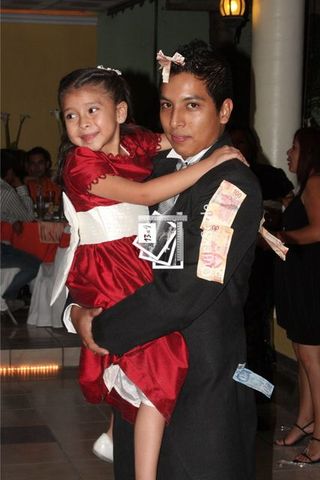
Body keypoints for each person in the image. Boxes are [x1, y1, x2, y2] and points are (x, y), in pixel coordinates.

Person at [66, 40, 263, 480]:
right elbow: (95, 243)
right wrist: (76, 311)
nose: (176, 120)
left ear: (225, 110)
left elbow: (184, 291)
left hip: (200, 389)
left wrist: (100, 329)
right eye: (167, 105)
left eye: (193, 105)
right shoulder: (151, 169)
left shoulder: (232, 186)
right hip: (141, 375)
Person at [229, 126, 294, 381]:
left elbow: (289, 211)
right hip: (232, 259)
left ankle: (258, 384)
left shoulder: (270, 176)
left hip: (264, 261)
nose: (238, 147)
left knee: (257, 319)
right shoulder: (222, 173)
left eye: (242, 142)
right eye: (233, 142)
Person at [274, 127, 320, 464]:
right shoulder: (306, 185)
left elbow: (318, 230)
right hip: (302, 279)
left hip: (311, 282)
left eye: (295, 147)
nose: (289, 153)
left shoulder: (316, 181)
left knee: (312, 361)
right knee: (304, 358)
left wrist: (282, 235)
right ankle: (305, 421)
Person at [0, 149, 41, 310]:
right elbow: (28, 217)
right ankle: (5, 297)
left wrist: (11, 219)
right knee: (35, 264)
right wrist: (21, 187)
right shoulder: (6, 192)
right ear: (10, 172)